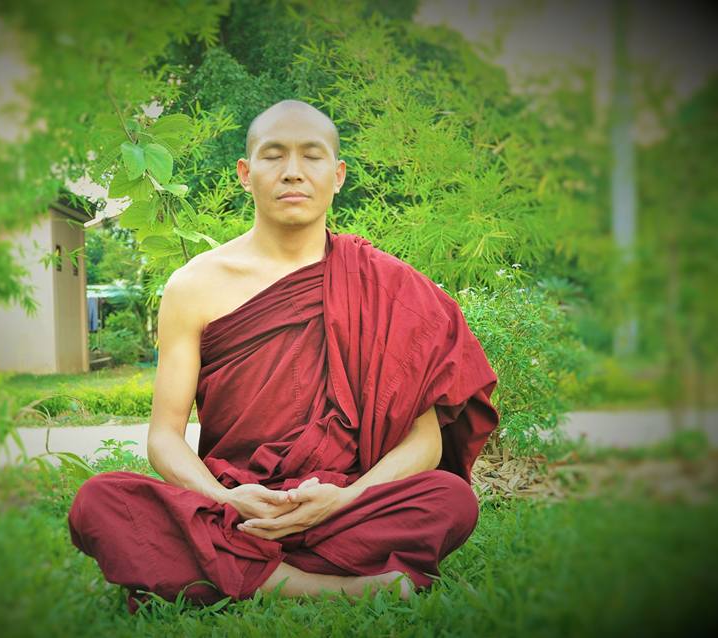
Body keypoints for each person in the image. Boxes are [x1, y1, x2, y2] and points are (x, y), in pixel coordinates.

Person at [68, 99, 500, 611]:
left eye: (311, 156)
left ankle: (222, 569)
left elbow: (424, 442)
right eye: (274, 156)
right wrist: (225, 499)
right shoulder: (194, 286)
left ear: (337, 176)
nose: (293, 172)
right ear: (245, 174)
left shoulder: (386, 284)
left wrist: (343, 500)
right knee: (100, 502)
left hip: (343, 504)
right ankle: (330, 586)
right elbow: (164, 436)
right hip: (237, 507)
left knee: (449, 500)